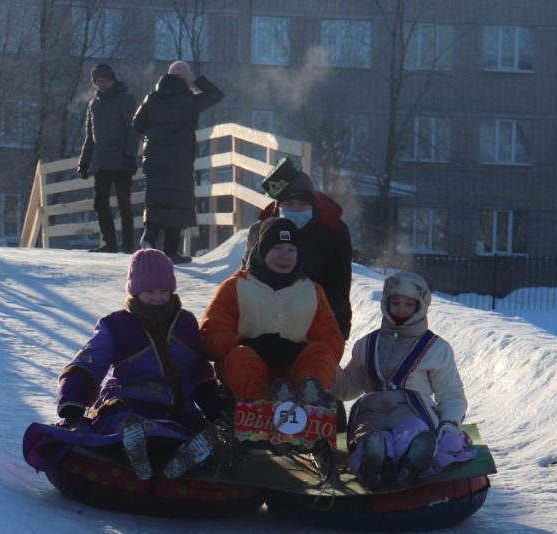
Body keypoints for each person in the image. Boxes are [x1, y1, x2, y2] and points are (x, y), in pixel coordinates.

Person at [23, 249, 221, 481]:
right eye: (149, 291)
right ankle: (134, 446)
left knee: (182, 431)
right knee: (123, 424)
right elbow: (89, 360)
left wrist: (212, 402)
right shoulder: (117, 324)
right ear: (135, 291)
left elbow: (196, 367)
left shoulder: (185, 322)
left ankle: (182, 457)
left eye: (163, 291)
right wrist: (73, 399)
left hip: (175, 406)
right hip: (129, 401)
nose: (157, 298)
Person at [334, 272, 475, 489]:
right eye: (396, 303)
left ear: (420, 306)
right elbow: (348, 387)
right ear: (385, 303)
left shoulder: (436, 348)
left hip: (412, 411)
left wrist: (450, 423)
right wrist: (326, 367)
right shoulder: (368, 344)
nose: (401, 309)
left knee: (414, 432)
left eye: (409, 304)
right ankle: (376, 459)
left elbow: (451, 393)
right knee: (367, 438)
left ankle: (411, 460)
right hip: (372, 412)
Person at [200, 217, 344, 413]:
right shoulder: (235, 287)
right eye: (277, 248)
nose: (284, 256)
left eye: (291, 250)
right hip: (248, 377)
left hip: (296, 375)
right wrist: (247, 344)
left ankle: (310, 406)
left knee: (321, 354)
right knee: (241, 357)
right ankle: (260, 411)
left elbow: (332, 339)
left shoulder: (312, 291)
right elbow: (210, 334)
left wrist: (299, 349)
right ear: (263, 250)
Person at [245, 158, 354, 339]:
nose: (295, 210)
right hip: (268, 320)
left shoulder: (334, 231)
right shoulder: (261, 230)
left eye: (302, 204)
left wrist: (300, 313)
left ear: (313, 205)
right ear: (278, 207)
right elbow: (246, 280)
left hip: (323, 321)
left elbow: (339, 291)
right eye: (289, 204)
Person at [131, 60, 224, 262]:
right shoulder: (190, 100)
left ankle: (149, 238)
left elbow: (137, 125)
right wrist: (195, 80)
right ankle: (171, 252)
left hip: (154, 157)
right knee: (176, 203)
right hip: (179, 160)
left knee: (155, 198)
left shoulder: (151, 98)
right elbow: (217, 94)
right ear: (185, 79)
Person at [76, 64, 139, 253]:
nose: (100, 85)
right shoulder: (94, 104)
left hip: (121, 161)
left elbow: (133, 130)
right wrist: (84, 161)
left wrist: (130, 156)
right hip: (101, 161)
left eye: (103, 81)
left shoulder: (126, 100)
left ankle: (128, 245)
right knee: (100, 203)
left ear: (112, 80)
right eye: (96, 82)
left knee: (124, 203)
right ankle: (109, 242)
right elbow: (90, 136)